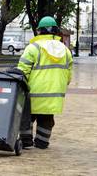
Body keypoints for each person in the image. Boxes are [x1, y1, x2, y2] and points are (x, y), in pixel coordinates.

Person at [17, 16, 73, 149]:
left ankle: (26, 141)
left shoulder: (33, 48)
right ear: (55, 31)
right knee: (47, 119)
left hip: (33, 92)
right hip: (54, 95)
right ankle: (42, 142)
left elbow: (22, 71)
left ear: (39, 31)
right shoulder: (65, 50)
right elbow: (68, 76)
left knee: (27, 117)